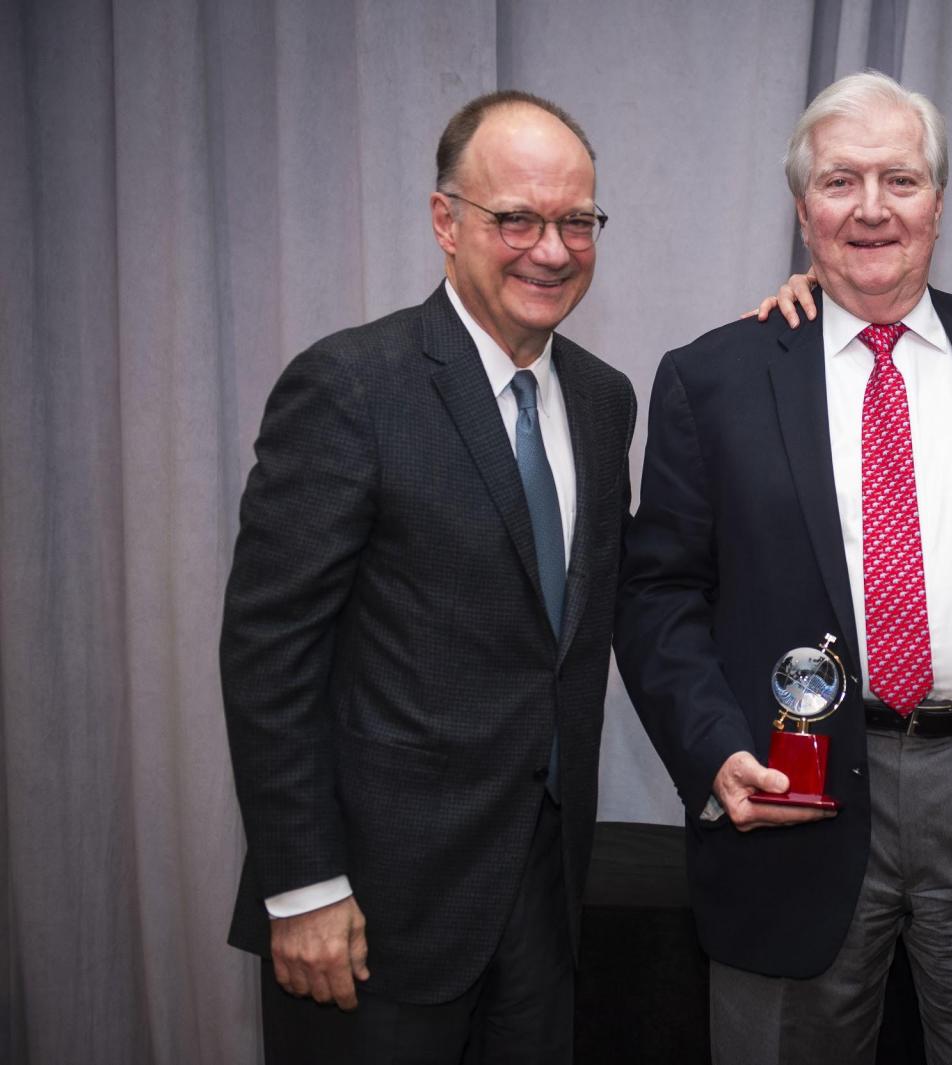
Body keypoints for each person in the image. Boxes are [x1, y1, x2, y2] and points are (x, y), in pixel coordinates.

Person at [614, 71, 952, 1065]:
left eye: (899, 180)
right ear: (802, 207)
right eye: (839, 181)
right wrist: (714, 748)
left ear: (939, 203)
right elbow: (658, 596)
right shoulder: (715, 377)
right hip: (791, 784)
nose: (870, 209)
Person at [219, 90, 635, 1063]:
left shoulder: (605, 401)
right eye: (517, 219)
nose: (553, 248)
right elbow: (267, 653)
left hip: (542, 898)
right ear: (446, 221)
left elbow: (586, 623)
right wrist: (305, 885)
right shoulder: (351, 387)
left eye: (577, 220)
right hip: (370, 916)